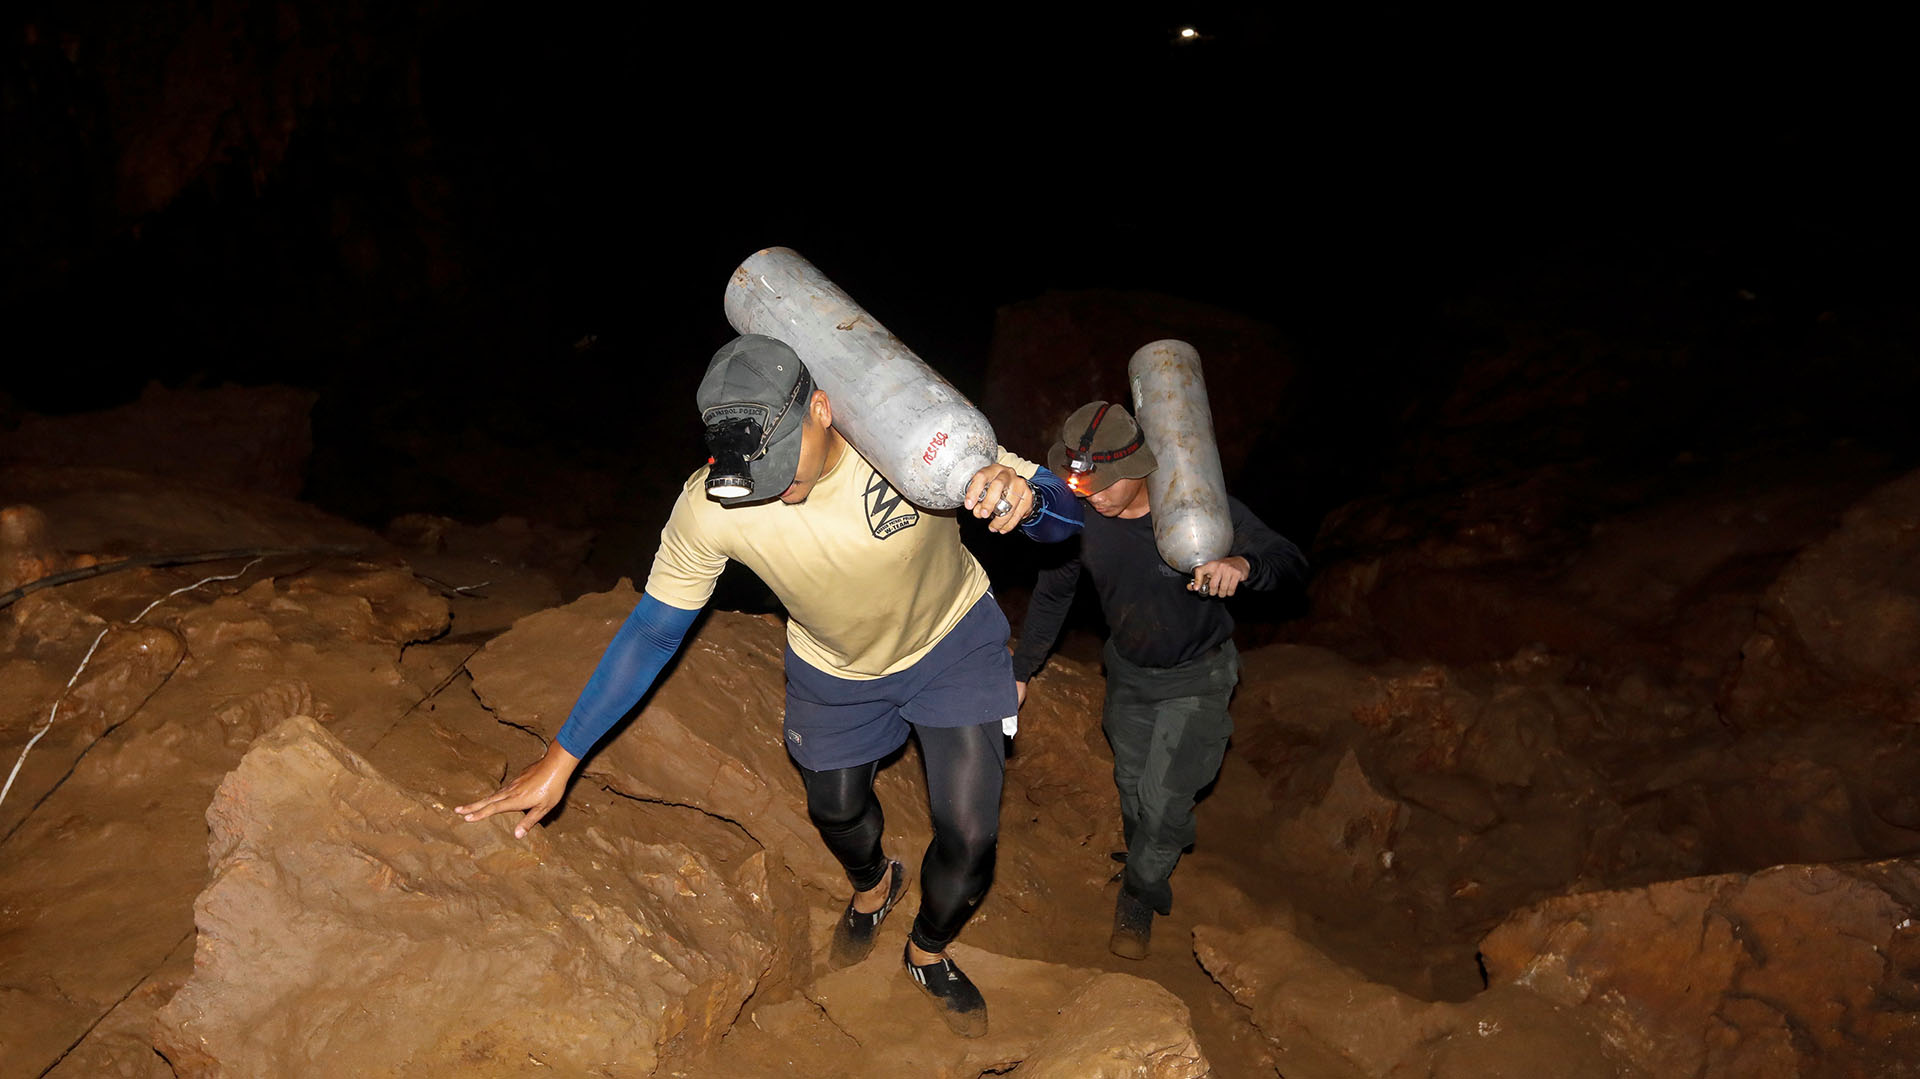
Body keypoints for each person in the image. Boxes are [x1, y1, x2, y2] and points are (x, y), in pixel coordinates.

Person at [454, 333, 1080, 1039]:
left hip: (951, 642)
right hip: (835, 665)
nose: (778, 489)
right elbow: (654, 631)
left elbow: (1066, 520)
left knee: (970, 836)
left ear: (821, 408)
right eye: (756, 472)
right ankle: (875, 883)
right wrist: (561, 756)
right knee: (836, 809)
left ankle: (926, 951)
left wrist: (1031, 501)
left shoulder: (910, 436)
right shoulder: (713, 502)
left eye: (786, 464)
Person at [1011, 400, 1307, 959]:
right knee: (1131, 788)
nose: (1088, 493)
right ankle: (1146, 852)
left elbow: (1288, 559)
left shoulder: (1195, 508)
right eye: (1080, 481)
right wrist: (1022, 669)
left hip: (1198, 674)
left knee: (1164, 798)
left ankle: (1140, 896)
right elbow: (1054, 593)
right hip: (1128, 670)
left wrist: (1243, 566)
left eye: (1100, 484)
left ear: (1137, 468)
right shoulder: (1079, 517)